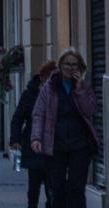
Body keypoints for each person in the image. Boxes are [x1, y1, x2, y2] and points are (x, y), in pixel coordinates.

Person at [31, 48, 98, 208]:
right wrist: (36, 138)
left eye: (75, 65)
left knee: (77, 188)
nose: (71, 68)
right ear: (60, 66)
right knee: (57, 188)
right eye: (67, 64)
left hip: (80, 144)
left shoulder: (84, 87)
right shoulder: (50, 87)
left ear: (80, 67)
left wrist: (80, 88)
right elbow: (39, 113)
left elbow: (90, 110)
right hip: (56, 144)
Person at [11, 60, 57, 208]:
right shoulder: (29, 94)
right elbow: (18, 117)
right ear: (43, 77)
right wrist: (15, 139)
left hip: (53, 145)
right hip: (33, 144)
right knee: (34, 184)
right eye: (49, 76)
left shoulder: (58, 93)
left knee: (53, 186)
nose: (52, 80)